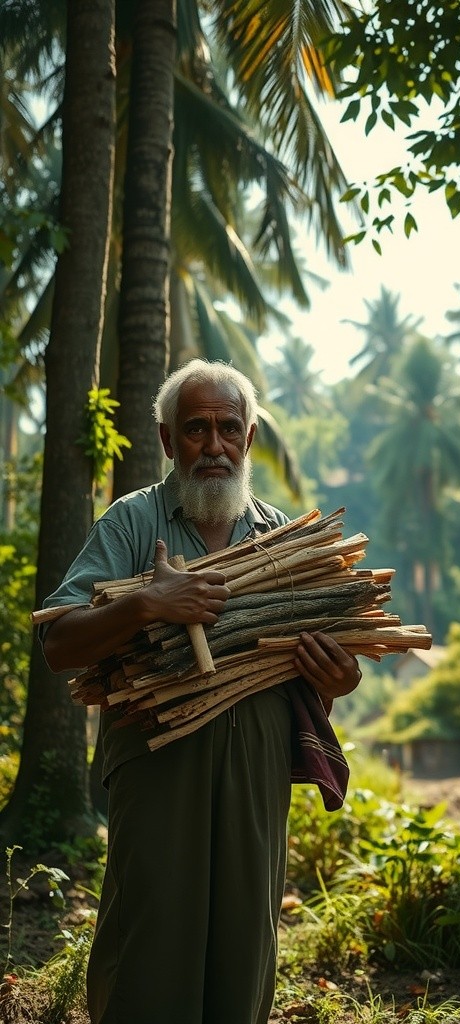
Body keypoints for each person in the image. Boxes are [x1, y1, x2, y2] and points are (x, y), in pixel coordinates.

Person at [41, 358, 361, 1024]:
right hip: (158, 763)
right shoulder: (132, 525)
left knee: (245, 945)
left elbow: (320, 675)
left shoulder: (285, 539)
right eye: (196, 430)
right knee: (149, 939)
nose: (213, 445)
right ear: (167, 441)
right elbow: (58, 644)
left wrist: (338, 678)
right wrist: (146, 606)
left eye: (228, 428)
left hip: (257, 769)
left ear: (247, 439)